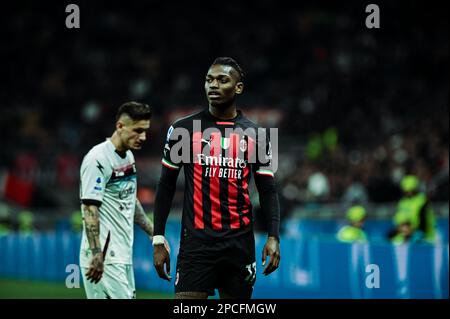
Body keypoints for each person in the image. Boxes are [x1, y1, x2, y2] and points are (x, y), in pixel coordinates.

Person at [152, 57, 281, 299]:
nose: (213, 85)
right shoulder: (184, 129)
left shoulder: (257, 134)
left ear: (238, 87)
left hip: (239, 245)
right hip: (196, 244)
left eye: (223, 80)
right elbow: (166, 185)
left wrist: (273, 236)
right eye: (209, 80)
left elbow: (268, 190)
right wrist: (158, 238)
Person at [79, 101, 156, 299]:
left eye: (145, 131)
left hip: (122, 253)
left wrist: (151, 230)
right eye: (137, 131)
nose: (143, 137)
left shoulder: (128, 156)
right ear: (120, 126)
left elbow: (130, 198)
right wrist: (97, 254)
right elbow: (89, 209)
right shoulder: (97, 159)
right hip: (105, 257)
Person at [389, 175, 436, 243]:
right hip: (406, 236)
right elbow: (398, 220)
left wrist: (412, 233)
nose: (409, 193)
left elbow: (424, 224)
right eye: (406, 191)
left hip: (424, 238)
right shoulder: (402, 202)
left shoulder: (422, 201)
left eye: (411, 190)